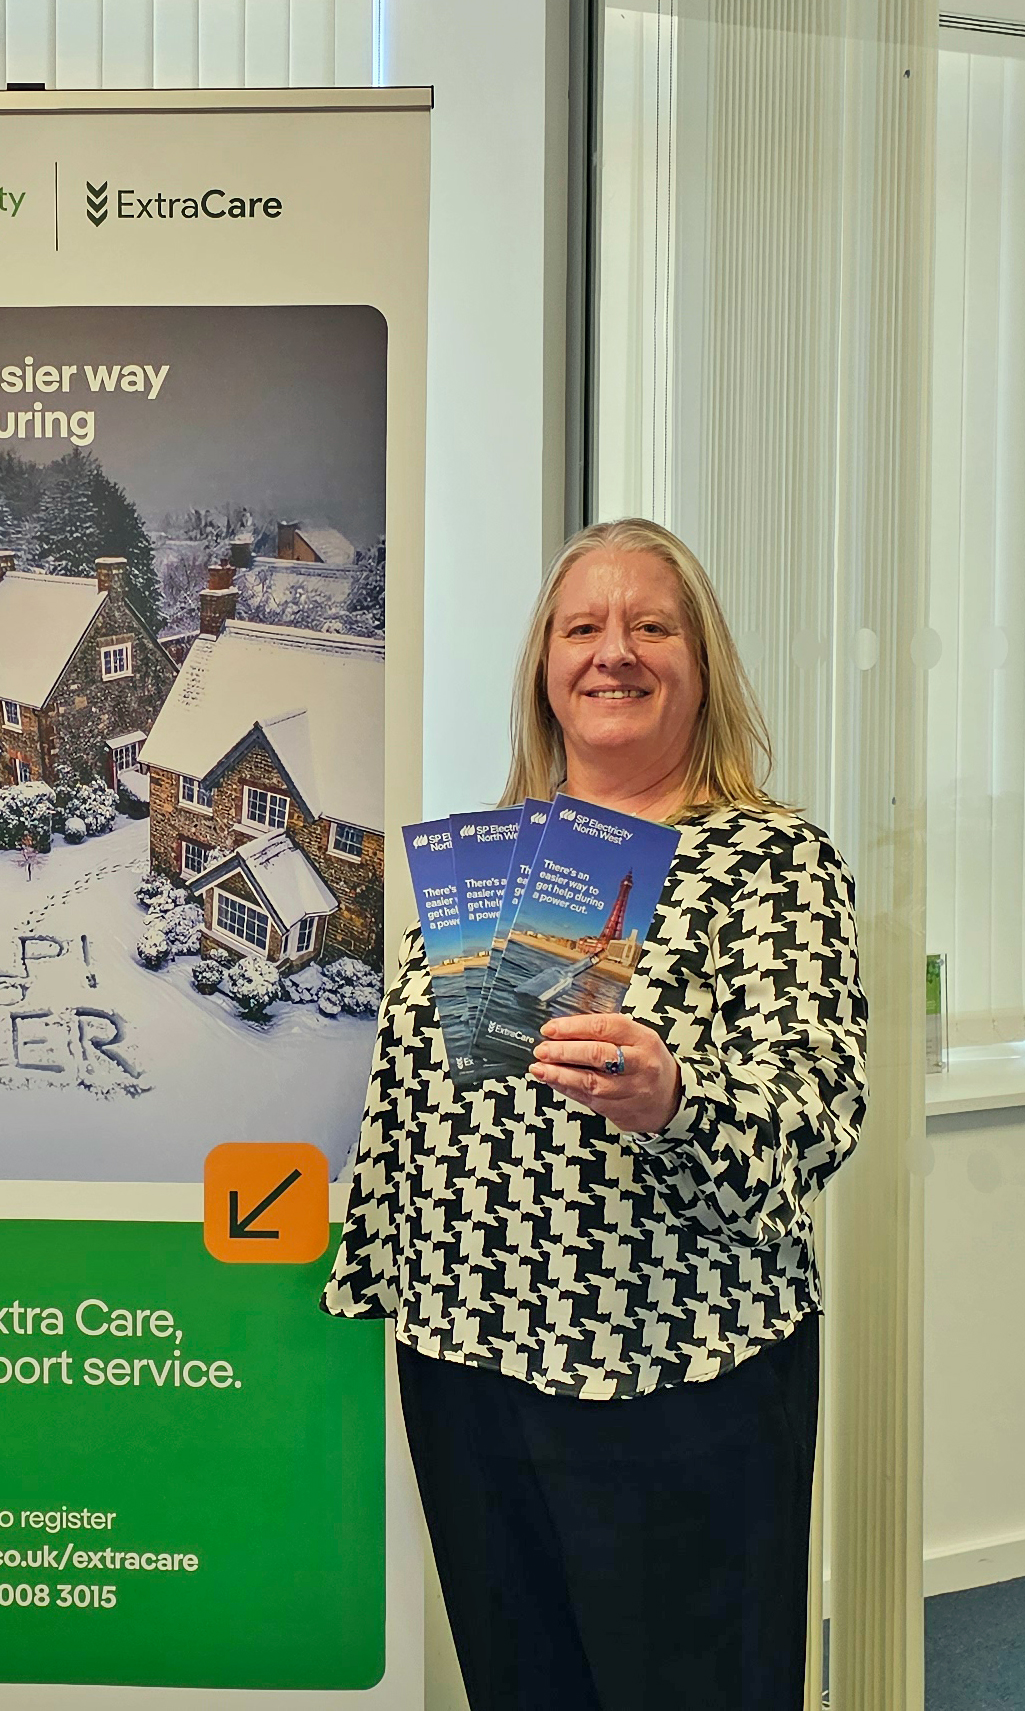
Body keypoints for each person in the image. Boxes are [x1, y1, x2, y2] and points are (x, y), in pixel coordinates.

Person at [324, 517, 866, 1710]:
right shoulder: (494, 855)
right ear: (544, 669)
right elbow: (413, 1100)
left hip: (675, 1371)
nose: (612, 650)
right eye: (582, 627)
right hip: (465, 1365)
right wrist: (379, 1274)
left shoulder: (772, 862)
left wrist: (675, 1098)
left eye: (649, 625)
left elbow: (816, 1111)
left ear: (700, 665)